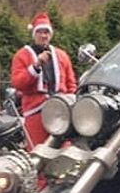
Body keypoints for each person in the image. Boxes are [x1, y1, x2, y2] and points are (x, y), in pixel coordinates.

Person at [10, 13, 77, 146]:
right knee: (37, 150)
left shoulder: (61, 55)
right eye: (40, 32)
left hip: (61, 110)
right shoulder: (22, 56)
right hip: (36, 111)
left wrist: (70, 102)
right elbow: (18, 83)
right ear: (34, 34)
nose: (43, 35)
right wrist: (36, 66)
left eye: (46, 32)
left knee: (64, 149)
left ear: (50, 35)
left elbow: (71, 83)